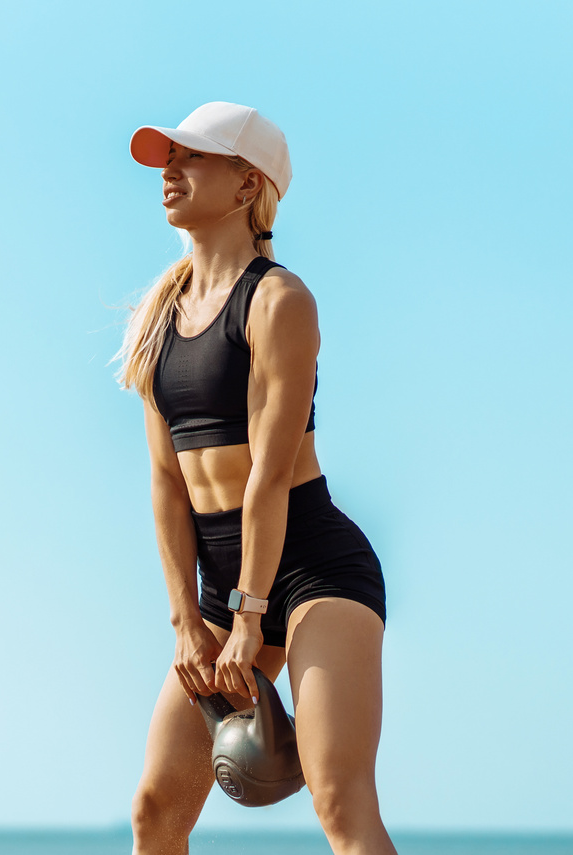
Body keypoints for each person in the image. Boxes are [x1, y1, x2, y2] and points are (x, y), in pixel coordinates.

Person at [112, 102, 399, 855]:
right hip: (219, 586)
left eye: (194, 157)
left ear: (247, 186)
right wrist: (187, 620)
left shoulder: (279, 301)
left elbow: (270, 478)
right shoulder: (157, 315)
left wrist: (248, 618)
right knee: (155, 809)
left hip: (312, 571)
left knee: (338, 796)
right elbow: (166, 484)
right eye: (168, 157)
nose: (171, 170)